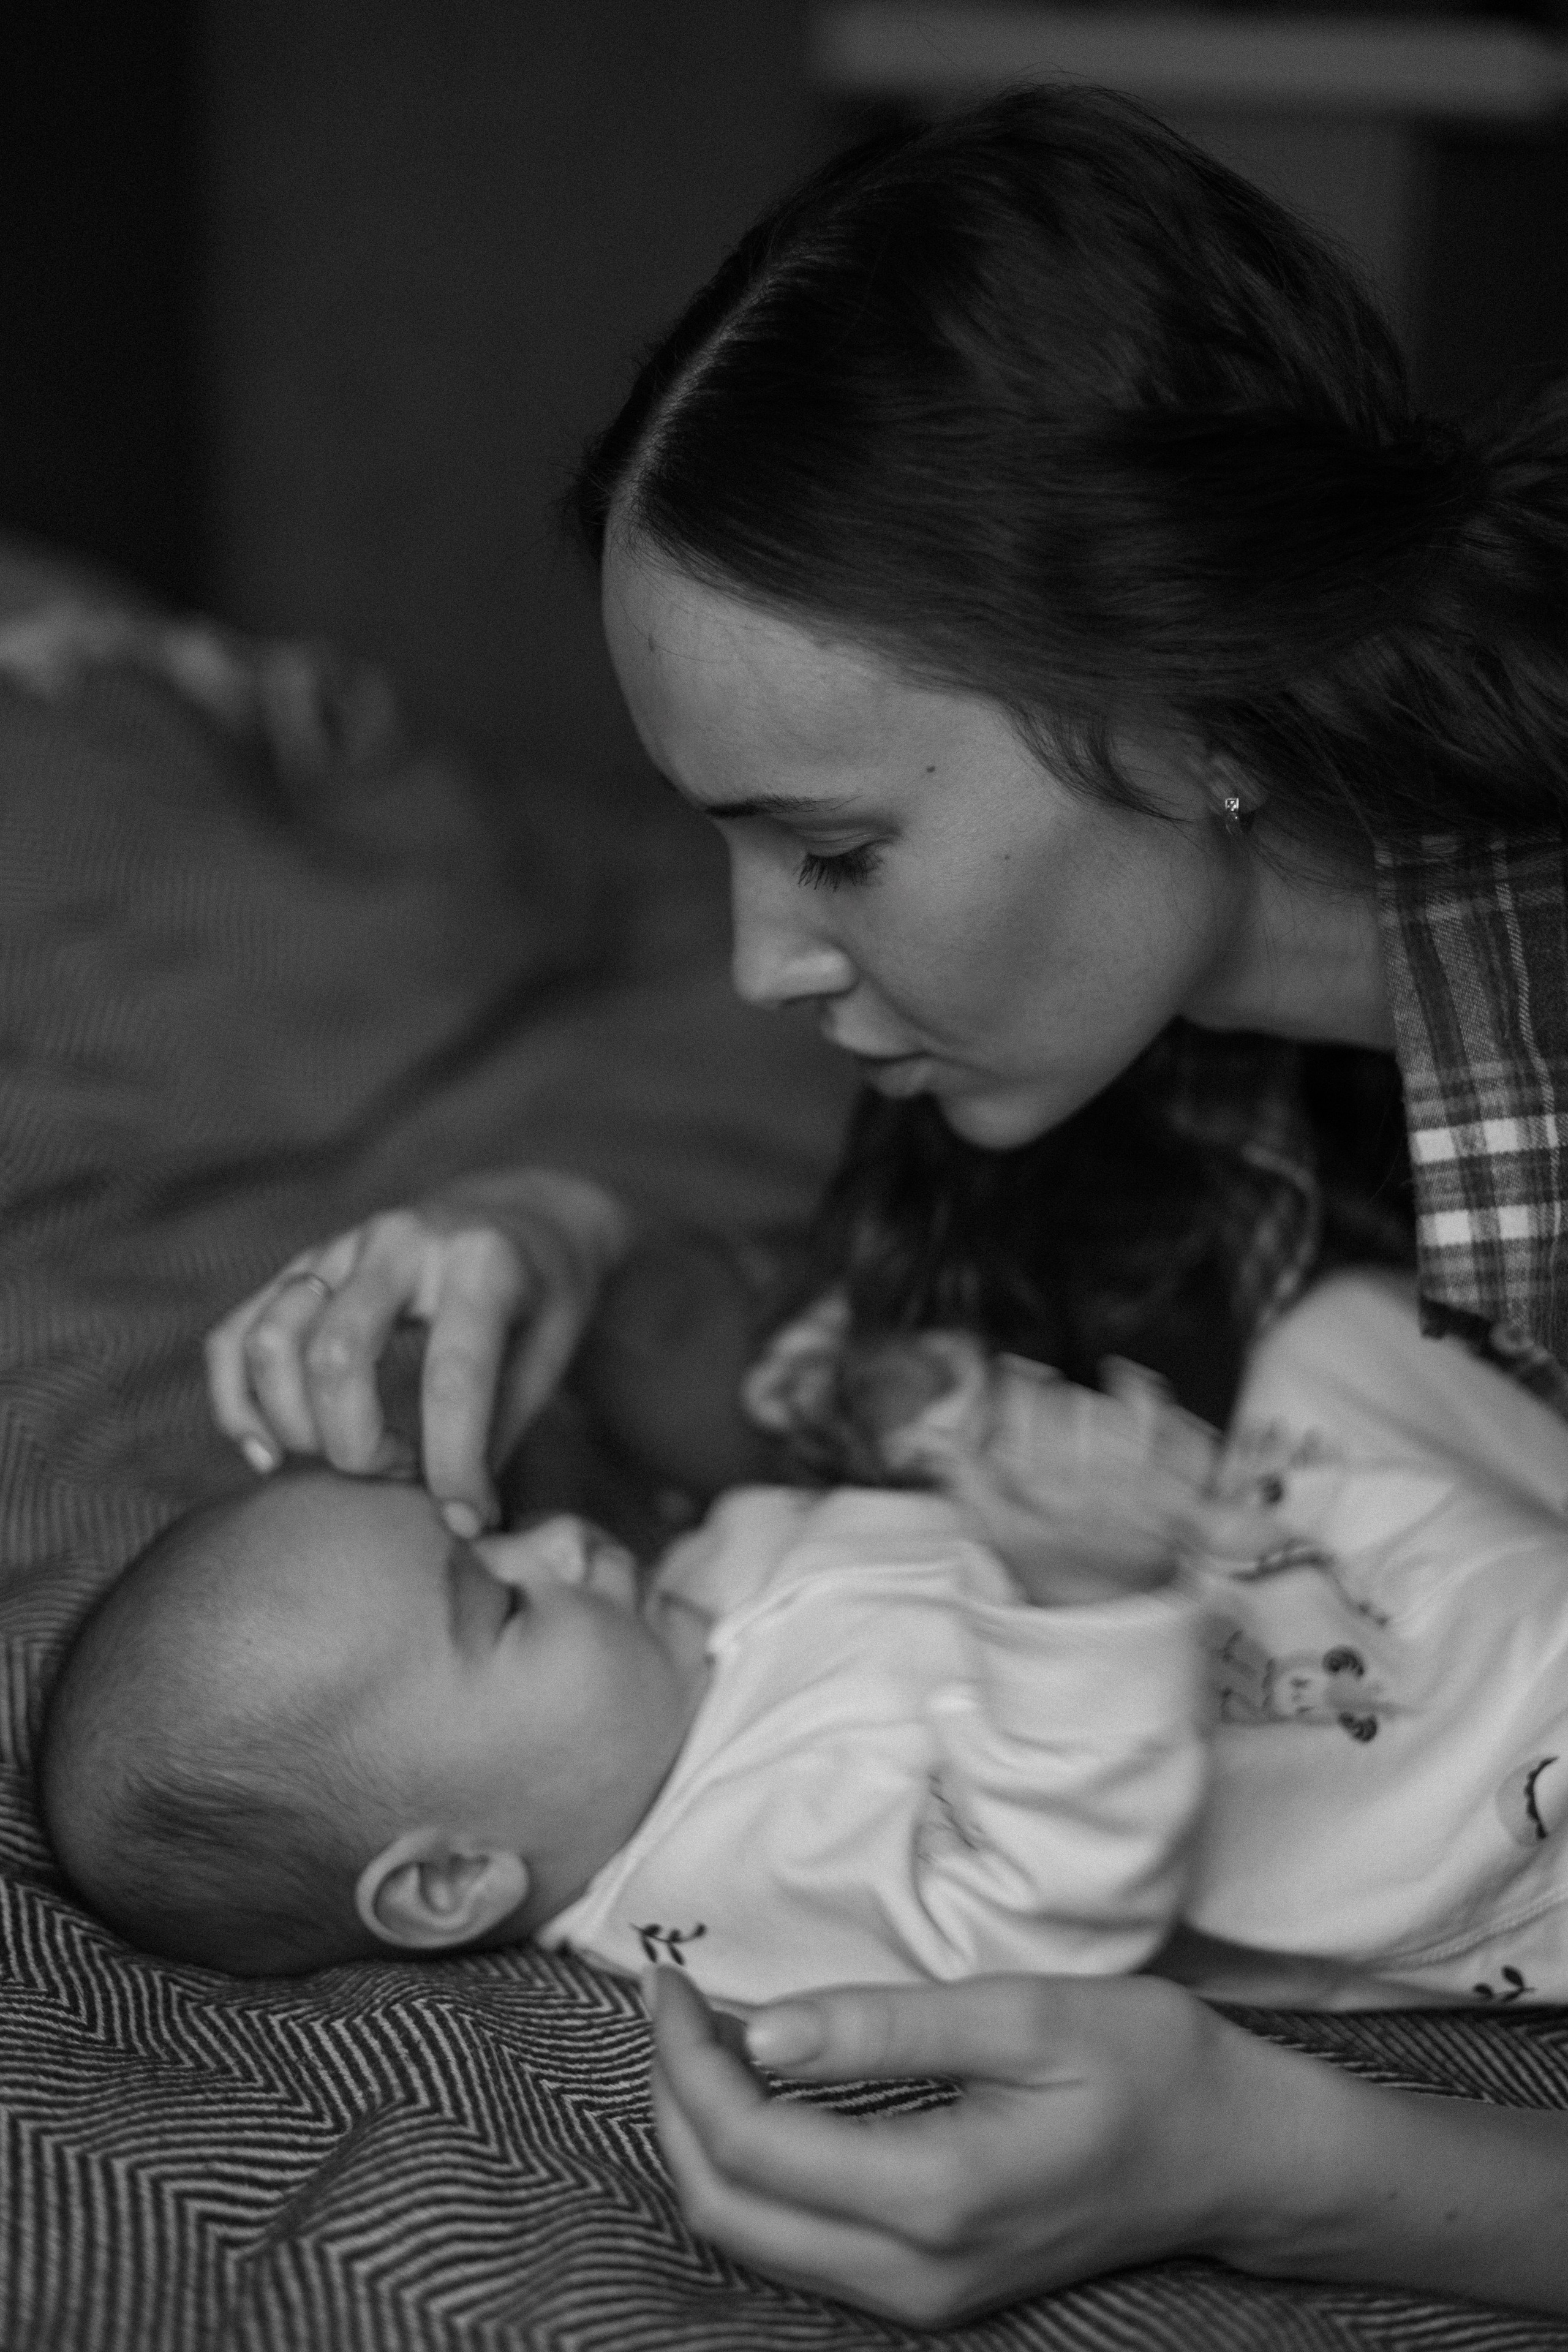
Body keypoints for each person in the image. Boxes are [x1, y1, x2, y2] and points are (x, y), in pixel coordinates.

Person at [202, 85, 1568, 2324]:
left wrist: (1289, 2165)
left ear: (1189, 711)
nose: (763, 965)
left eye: (834, 852)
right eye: (728, 849)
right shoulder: (1148, 1080)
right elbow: (898, 1478)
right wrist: (568, 1241)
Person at [45, 1273, 1568, 2018]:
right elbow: (1029, 1914)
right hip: (1410, 1777)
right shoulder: (720, 1888)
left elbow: (896, 1522)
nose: (555, 1542)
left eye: (494, 1527)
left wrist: (931, 1424)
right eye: (497, 1604)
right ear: (452, 1880)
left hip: (1296, 1549)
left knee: (1343, 1329)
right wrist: (1074, 1611)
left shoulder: (677, 1604)